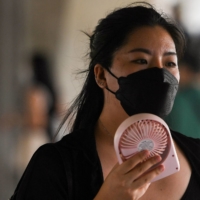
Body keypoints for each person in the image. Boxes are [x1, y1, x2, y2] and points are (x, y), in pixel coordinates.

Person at [10, 2, 200, 200]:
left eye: (170, 63)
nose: (160, 75)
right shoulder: (57, 165)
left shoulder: (196, 156)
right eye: (141, 60)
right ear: (101, 75)